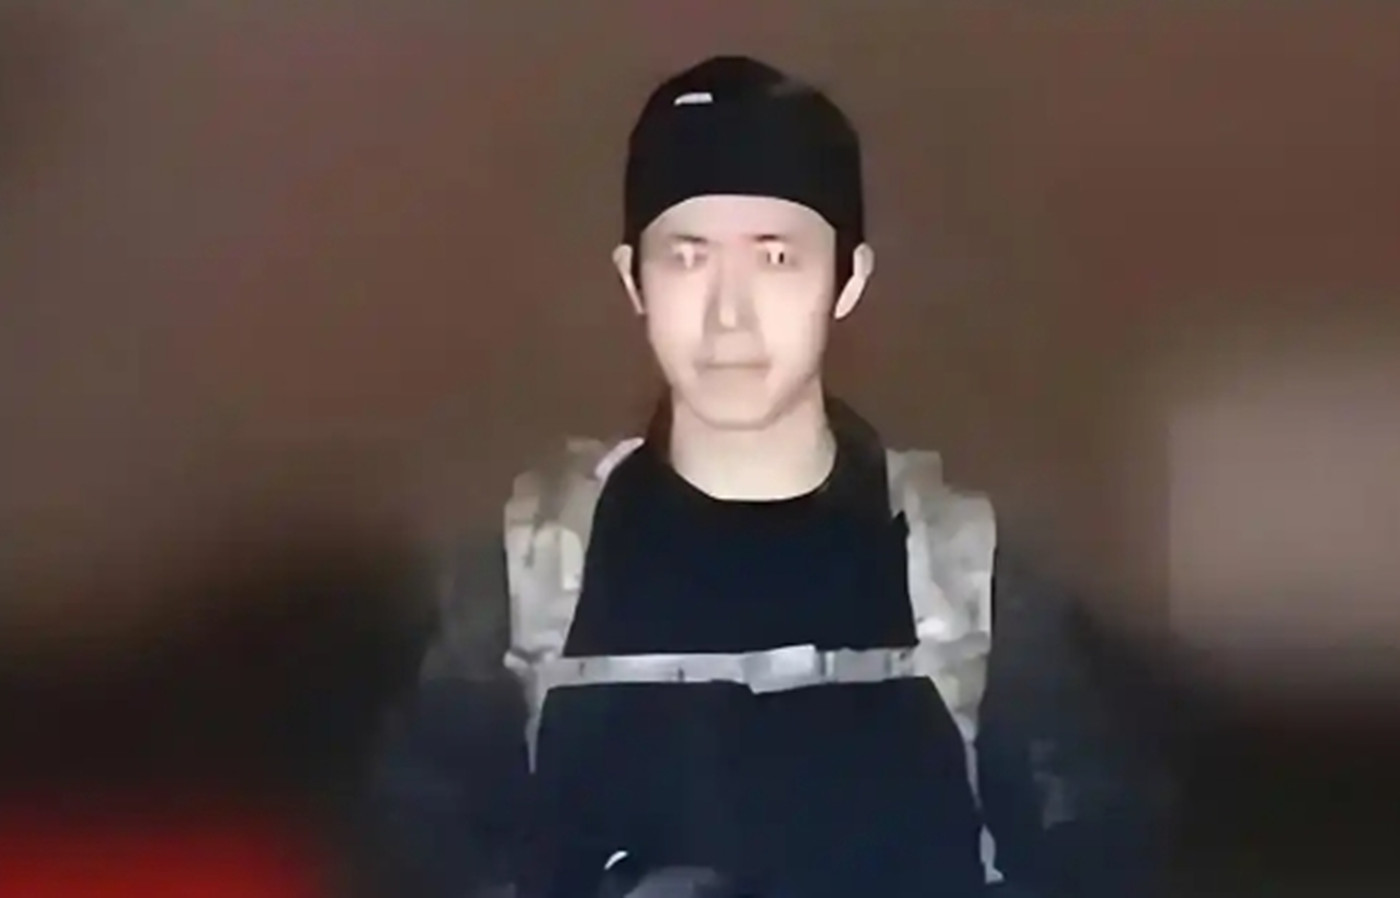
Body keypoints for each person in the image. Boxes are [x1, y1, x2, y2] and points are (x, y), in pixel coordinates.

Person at [368, 56, 1168, 898]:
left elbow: (1096, 857)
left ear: (848, 279)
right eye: (688, 258)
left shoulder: (978, 587)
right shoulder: (520, 588)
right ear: (633, 280)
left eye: (777, 257)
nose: (729, 314)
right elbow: (420, 854)